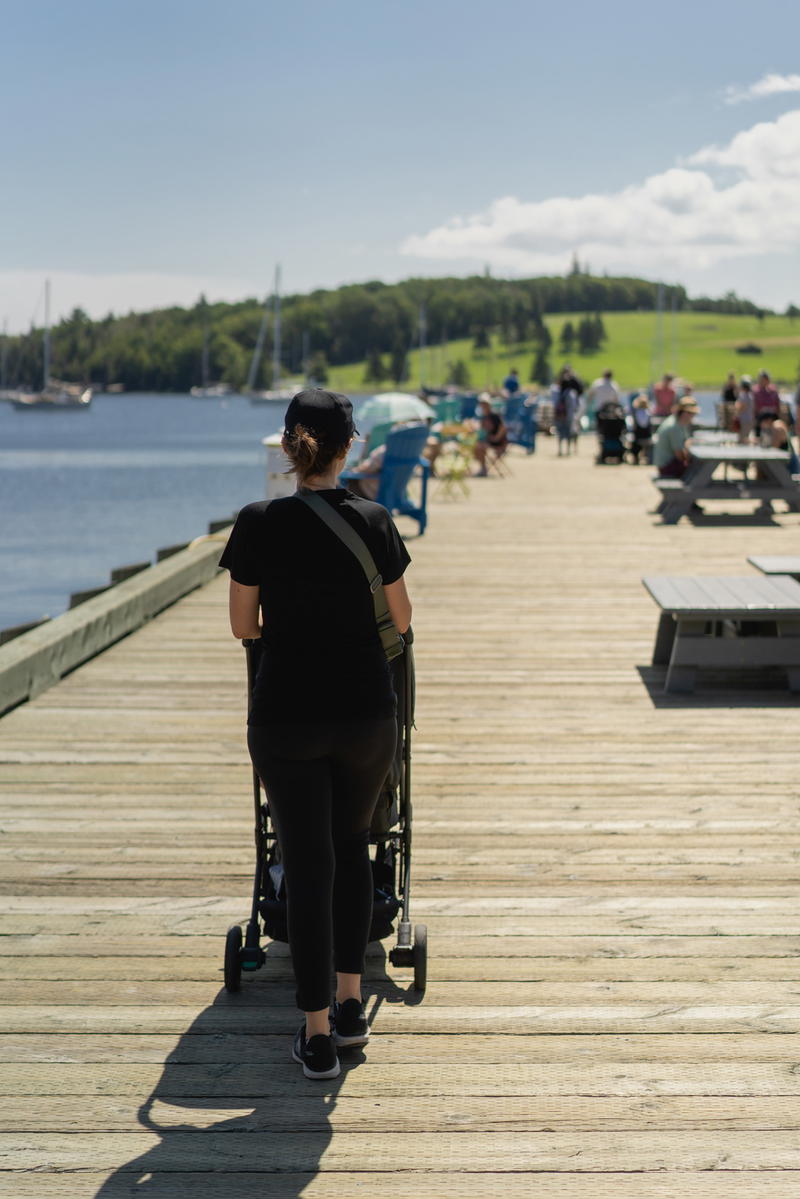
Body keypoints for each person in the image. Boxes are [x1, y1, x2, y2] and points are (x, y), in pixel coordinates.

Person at [219, 389, 412, 1080]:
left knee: (304, 862)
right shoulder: (375, 519)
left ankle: (317, 1032)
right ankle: (353, 1003)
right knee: (352, 845)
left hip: (287, 717)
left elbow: (244, 626)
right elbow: (403, 617)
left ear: (288, 445)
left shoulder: (256, 520)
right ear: (348, 445)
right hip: (365, 714)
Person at [653, 396, 699, 477]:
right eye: (692, 413)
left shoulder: (678, 422)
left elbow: (686, 442)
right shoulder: (674, 427)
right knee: (697, 470)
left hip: (668, 464)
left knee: (697, 468)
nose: (693, 416)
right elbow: (680, 455)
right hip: (667, 467)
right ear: (685, 413)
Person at [551, 367, 582, 456]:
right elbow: (574, 406)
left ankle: (560, 449)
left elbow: (555, 404)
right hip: (569, 416)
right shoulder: (571, 393)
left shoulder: (558, 393)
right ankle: (568, 450)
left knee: (560, 432)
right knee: (569, 433)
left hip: (560, 415)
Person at [474, 395, 508, 475]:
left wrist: (496, 438)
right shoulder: (483, 417)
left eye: (485, 404)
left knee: (479, 447)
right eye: (482, 404)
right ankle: (482, 467)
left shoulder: (494, 416)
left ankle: (483, 468)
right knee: (475, 446)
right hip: (488, 440)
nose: (483, 406)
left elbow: (503, 428)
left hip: (497, 442)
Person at [753, 370, 781, 434]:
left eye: (765, 379)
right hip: (760, 415)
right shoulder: (756, 391)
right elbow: (755, 406)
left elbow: (777, 404)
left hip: (772, 415)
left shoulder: (773, 390)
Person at [629, 394, 654, 464]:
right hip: (647, 436)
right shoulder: (649, 413)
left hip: (638, 437)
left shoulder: (636, 413)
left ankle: (635, 458)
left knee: (634, 441)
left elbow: (632, 426)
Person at [735, 376, 755, 443]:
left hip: (743, 420)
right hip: (749, 419)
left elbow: (741, 407)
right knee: (746, 436)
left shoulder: (743, 395)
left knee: (742, 438)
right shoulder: (750, 396)